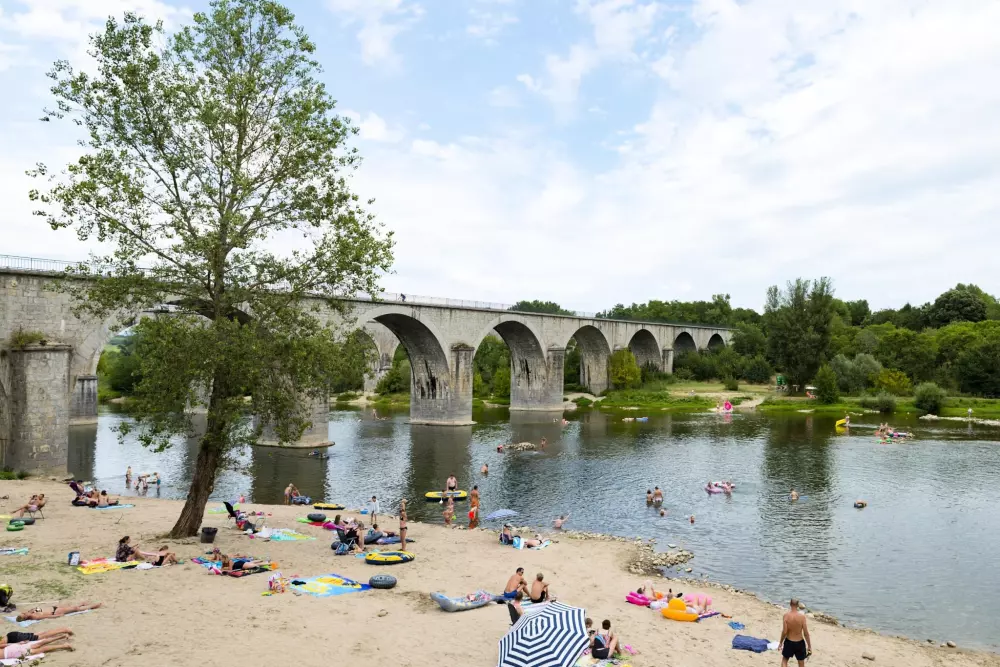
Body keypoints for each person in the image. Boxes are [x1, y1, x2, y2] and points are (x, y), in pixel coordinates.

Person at [778, 599, 812, 667]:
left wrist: (781, 642)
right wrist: (809, 646)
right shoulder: (802, 617)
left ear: (790, 604)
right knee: (801, 662)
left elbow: (784, 631)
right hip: (799, 643)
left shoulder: (786, 616)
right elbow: (806, 633)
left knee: (784, 660)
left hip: (789, 642)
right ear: (797, 605)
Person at [15, 602, 102, 623]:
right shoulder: (35, 617)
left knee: (71, 607)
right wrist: (58, 616)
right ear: (26, 618)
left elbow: (40, 609)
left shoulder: (30, 612)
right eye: (24, 615)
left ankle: (82, 603)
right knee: (75, 608)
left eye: (23, 613)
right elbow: (46, 617)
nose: (24, 613)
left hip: (54, 608)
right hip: (55, 612)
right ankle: (93, 606)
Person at [2, 634, 75, 659]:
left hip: (13, 653)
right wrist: (19, 643)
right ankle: (62, 636)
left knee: (41, 649)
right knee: (39, 644)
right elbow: (3, 645)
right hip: (12, 647)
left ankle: (64, 645)